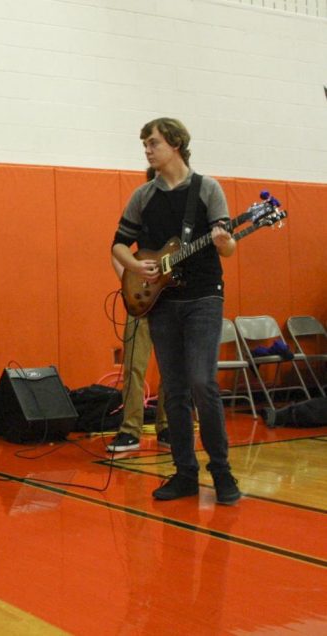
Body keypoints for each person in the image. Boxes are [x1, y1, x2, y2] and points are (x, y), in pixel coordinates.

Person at [111, 117, 241, 505]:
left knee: (203, 382)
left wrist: (224, 242)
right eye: (145, 144)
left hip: (203, 297)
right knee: (175, 392)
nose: (147, 149)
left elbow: (229, 248)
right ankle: (185, 472)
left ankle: (221, 472)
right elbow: (119, 244)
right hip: (163, 303)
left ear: (176, 144)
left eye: (153, 143)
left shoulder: (207, 189)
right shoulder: (143, 196)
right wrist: (136, 267)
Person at [107, 167, 169, 453]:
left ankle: (167, 425)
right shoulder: (140, 212)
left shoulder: (183, 220)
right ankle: (130, 429)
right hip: (142, 301)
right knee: (134, 366)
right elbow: (117, 249)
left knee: (172, 368)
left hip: (172, 299)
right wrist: (129, 283)